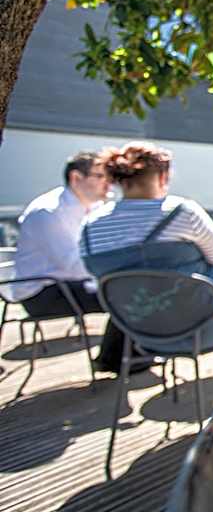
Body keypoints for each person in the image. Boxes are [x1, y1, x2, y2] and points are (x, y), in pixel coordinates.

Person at [80, 142, 213, 353]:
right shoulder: (181, 212)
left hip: (143, 335)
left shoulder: (89, 227)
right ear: (163, 177)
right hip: (207, 325)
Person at [9, 151, 140, 370]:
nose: (109, 183)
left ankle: (124, 355)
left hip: (69, 283)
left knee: (129, 289)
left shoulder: (92, 208)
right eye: (101, 176)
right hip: (43, 293)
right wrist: (116, 270)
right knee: (126, 295)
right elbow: (73, 266)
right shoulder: (49, 212)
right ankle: (115, 359)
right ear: (76, 178)